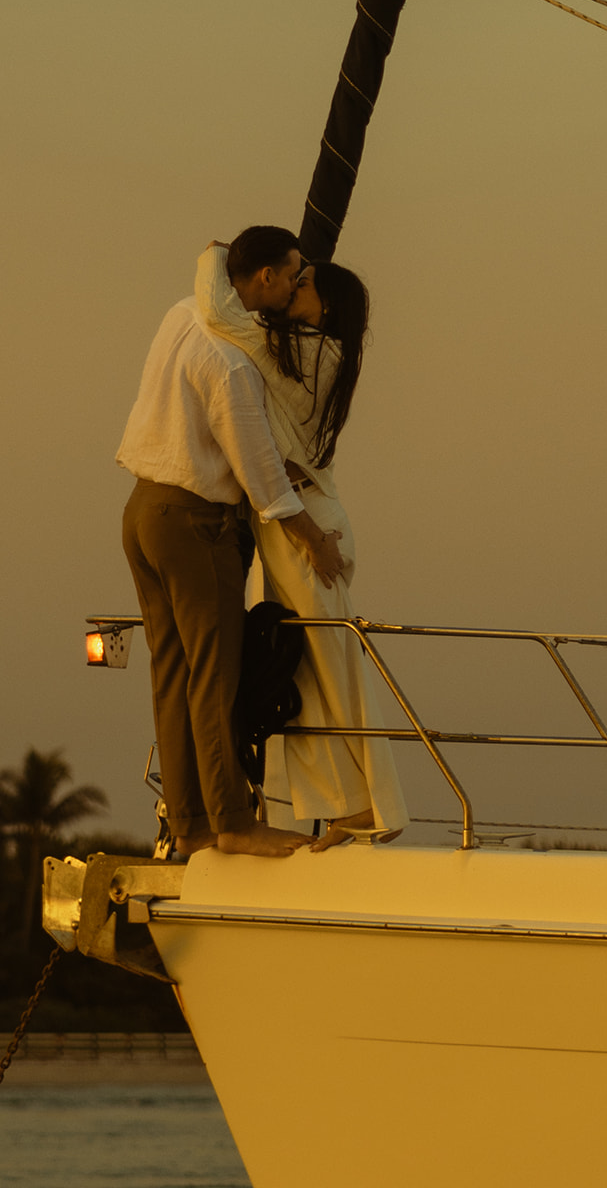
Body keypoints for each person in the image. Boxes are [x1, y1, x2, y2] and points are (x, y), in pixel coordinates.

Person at [117, 226, 347, 860]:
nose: (301, 282)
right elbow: (261, 478)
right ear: (266, 277)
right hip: (195, 524)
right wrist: (313, 542)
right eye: (295, 272)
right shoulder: (232, 363)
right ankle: (233, 823)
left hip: (143, 511)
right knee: (214, 678)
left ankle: (189, 824)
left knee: (173, 675)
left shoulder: (182, 313)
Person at [195, 242, 407, 851]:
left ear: (324, 307)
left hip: (310, 527)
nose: (292, 291)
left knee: (329, 662)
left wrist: (218, 251)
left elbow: (217, 313)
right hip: (298, 517)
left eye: (303, 284)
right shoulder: (309, 355)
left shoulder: (311, 354)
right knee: (305, 668)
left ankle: (368, 803)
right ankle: (342, 804)